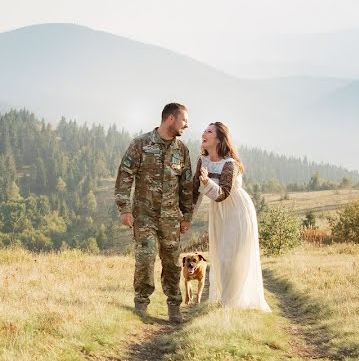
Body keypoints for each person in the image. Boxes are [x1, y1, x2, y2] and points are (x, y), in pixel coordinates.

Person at [115, 102, 195, 323]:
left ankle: (174, 307)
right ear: (170, 118)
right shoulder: (140, 144)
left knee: (172, 262)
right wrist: (124, 209)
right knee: (146, 256)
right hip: (144, 215)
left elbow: (186, 186)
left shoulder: (182, 151)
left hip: (170, 217)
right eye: (184, 120)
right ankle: (141, 303)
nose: (187, 125)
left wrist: (186, 216)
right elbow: (125, 175)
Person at [196, 122, 271, 312]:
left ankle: (228, 304)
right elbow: (195, 192)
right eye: (205, 130)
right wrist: (187, 218)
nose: (204, 133)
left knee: (231, 257)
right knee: (221, 258)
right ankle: (227, 300)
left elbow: (223, 194)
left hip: (237, 211)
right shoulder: (202, 161)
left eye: (210, 131)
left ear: (220, 139)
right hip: (218, 213)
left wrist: (206, 183)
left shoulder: (230, 164)